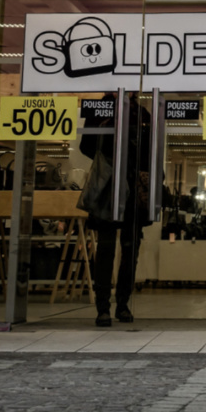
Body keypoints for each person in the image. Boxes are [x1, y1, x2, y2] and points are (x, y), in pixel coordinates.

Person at [77, 95, 149, 327]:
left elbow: (86, 146)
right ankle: (115, 306)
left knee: (116, 249)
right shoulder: (137, 112)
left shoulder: (134, 112)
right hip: (119, 185)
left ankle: (111, 307)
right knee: (120, 249)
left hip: (116, 186)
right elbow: (88, 146)